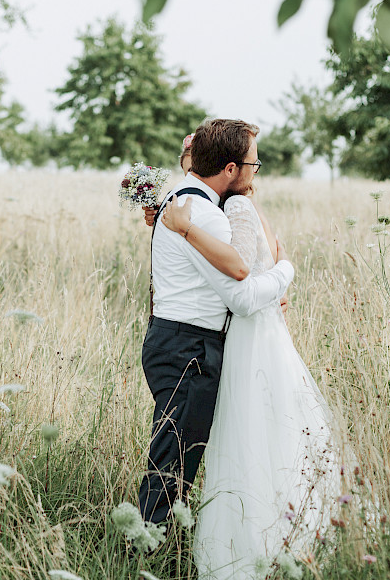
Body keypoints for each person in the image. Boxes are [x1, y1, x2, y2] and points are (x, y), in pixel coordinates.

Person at [161, 151, 346, 576]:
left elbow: (242, 282)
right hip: (260, 336)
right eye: (254, 162)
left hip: (249, 338)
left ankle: (252, 543)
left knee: (249, 436)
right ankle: (290, 533)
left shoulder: (236, 208)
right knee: (274, 429)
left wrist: (284, 272)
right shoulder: (231, 206)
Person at [138, 119, 296, 532]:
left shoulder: (184, 200)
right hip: (189, 348)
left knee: (179, 457)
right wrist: (284, 271)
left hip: (178, 341)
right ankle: (146, 548)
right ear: (229, 168)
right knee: (172, 462)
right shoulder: (204, 216)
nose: (254, 172)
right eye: (253, 164)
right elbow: (240, 297)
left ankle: (164, 541)